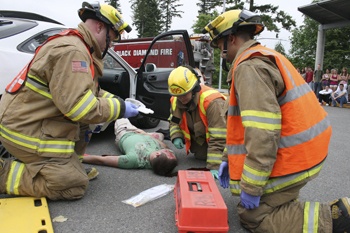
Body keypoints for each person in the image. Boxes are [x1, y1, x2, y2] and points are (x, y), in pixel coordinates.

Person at [203, 9, 349, 233]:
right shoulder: (261, 57)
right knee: (258, 200)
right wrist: (227, 158)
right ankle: (281, 197)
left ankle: (335, 217)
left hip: (295, 154)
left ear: (230, 39)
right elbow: (241, 128)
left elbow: (263, 132)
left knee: (252, 216)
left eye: (219, 45)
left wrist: (252, 187)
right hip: (306, 146)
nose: (220, 54)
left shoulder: (249, 67)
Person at [0, 2, 139, 200]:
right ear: (100, 27)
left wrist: (120, 101)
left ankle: (69, 163)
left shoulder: (80, 47)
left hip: (28, 121)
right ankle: (3, 173)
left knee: (86, 125)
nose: (112, 44)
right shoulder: (74, 52)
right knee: (73, 185)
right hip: (23, 131)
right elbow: (80, 108)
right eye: (113, 38)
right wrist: (120, 108)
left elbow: (89, 92)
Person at [167, 65, 227, 178]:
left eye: (184, 95)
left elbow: (219, 136)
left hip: (225, 138)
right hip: (202, 136)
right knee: (200, 156)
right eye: (178, 95)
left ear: (194, 89)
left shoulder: (212, 102)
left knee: (227, 158)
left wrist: (214, 165)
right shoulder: (176, 100)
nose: (181, 99)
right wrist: (176, 136)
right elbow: (174, 120)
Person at [83, 118, 178, 176]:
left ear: (157, 154)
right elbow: (166, 147)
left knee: (119, 112)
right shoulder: (161, 158)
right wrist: (146, 135)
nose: (169, 150)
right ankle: (149, 133)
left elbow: (102, 160)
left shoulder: (134, 160)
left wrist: (82, 157)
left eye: (167, 152)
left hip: (126, 132)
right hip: (144, 135)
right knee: (160, 135)